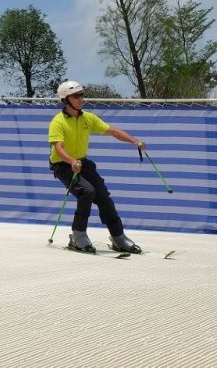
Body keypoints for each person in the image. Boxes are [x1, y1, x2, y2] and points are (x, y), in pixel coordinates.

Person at [49, 80, 145, 254]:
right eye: (76, 96)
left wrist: (134, 141)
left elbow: (113, 131)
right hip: (63, 165)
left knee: (102, 196)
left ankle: (118, 237)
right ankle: (78, 236)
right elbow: (58, 148)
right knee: (87, 192)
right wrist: (72, 161)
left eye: (81, 95)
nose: (81, 99)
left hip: (82, 163)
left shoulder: (88, 118)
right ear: (65, 99)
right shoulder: (58, 121)